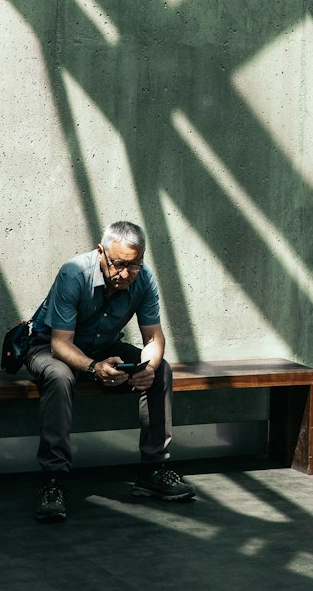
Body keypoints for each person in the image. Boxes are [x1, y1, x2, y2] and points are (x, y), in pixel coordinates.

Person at [26, 219, 195, 522]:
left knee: (161, 371)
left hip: (103, 348)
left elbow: (153, 337)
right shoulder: (74, 273)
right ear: (101, 252)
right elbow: (61, 345)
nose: (124, 275)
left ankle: (152, 470)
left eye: (134, 266)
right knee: (60, 377)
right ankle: (53, 481)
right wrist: (93, 368)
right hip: (48, 346)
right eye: (118, 265)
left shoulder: (144, 279)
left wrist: (150, 366)